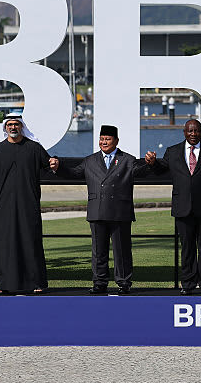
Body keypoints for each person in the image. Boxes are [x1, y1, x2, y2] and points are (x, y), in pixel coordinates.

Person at [49, 125, 150, 295]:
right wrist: (58, 167)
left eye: (107, 139)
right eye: (101, 139)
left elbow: (141, 172)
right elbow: (74, 173)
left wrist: (149, 163)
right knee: (98, 251)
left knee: (122, 250)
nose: (104, 142)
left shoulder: (127, 159)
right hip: (97, 211)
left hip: (120, 212)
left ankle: (124, 282)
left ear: (116, 141)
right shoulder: (90, 160)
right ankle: (99, 282)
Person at [0, 114, 54, 294]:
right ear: (5, 128)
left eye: (16, 124)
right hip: (3, 207)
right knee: (4, 245)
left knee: (30, 243)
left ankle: (36, 283)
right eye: (10, 125)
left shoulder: (34, 148)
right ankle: (3, 285)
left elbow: (49, 167)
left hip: (28, 205)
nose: (13, 127)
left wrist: (54, 163)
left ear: (21, 126)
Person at [145, 119, 201, 296]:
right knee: (187, 248)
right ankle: (187, 285)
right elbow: (160, 170)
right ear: (184, 132)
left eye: (196, 131)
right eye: (190, 131)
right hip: (183, 208)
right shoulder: (172, 152)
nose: (193, 134)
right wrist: (152, 163)